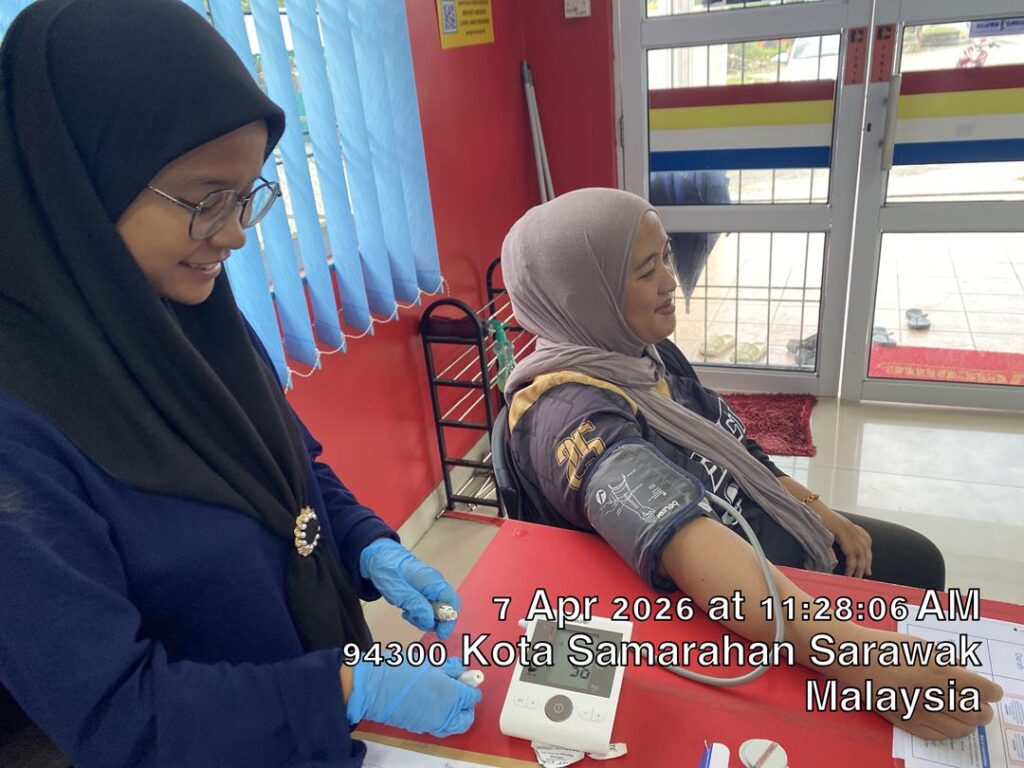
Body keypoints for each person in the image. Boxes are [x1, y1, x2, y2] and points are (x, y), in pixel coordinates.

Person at [0, 1, 479, 766]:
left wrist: (362, 543)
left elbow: (288, 473)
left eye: (247, 194)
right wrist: (346, 691)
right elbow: (118, 715)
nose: (233, 234)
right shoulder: (19, 431)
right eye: (205, 200)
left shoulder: (196, 319)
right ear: (80, 183)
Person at [500, 187, 1002, 740]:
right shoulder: (568, 414)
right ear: (583, 295)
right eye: (646, 270)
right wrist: (858, 657)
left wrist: (816, 508)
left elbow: (735, 445)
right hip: (723, 595)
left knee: (918, 561)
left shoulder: (645, 352)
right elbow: (677, 534)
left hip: (770, 540)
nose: (671, 281)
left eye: (666, 256)